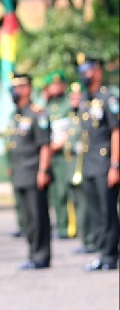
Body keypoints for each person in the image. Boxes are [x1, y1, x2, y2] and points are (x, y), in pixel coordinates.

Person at [75, 55, 119, 271]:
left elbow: (116, 132)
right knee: (94, 211)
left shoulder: (108, 98)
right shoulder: (86, 100)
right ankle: (102, 253)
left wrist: (115, 165)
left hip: (104, 162)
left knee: (107, 211)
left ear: (98, 71)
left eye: (88, 70)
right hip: (89, 163)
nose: (84, 74)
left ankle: (111, 255)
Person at [6, 72, 52, 269]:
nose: (14, 92)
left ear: (27, 89)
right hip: (20, 172)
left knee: (38, 215)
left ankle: (41, 255)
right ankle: (33, 253)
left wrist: (43, 170)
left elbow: (45, 145)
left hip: (34, 171)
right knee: (27, 218)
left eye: (18, 88)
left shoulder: (37, 113)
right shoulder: (17, 115)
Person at [45, 70, 77, 239]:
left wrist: (58, 144)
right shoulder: (47, 106)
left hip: (66, 154)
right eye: (52, 84)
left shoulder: (69, 104)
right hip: (52, 156)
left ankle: (71, 226)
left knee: (67, 191)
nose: (55, 87)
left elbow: (72, 128)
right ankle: (62, 225)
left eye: (58, 84)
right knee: (56, 192)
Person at [67, 82, 97, 255]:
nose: (74, 100)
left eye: (77, 97)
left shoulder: (86, 115)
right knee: (79, 206)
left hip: (86, 166)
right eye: (72, 97)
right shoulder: (74, 116)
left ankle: (92, 241)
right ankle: (85, 240)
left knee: (87, 207)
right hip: (73, 167)